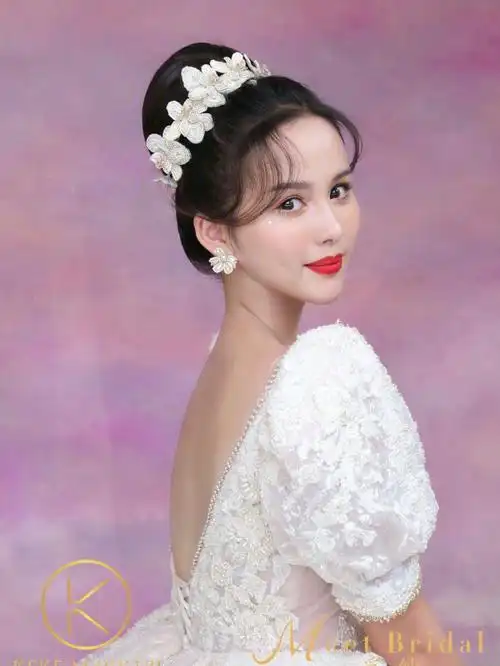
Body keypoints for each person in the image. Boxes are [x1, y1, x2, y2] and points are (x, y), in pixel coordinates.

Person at [82, 42, 463, 666]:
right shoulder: (318, 380)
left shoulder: (222, 371)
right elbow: (415, 646)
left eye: (338, 190)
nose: (331, 227)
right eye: (290, 204)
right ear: (214, 230)